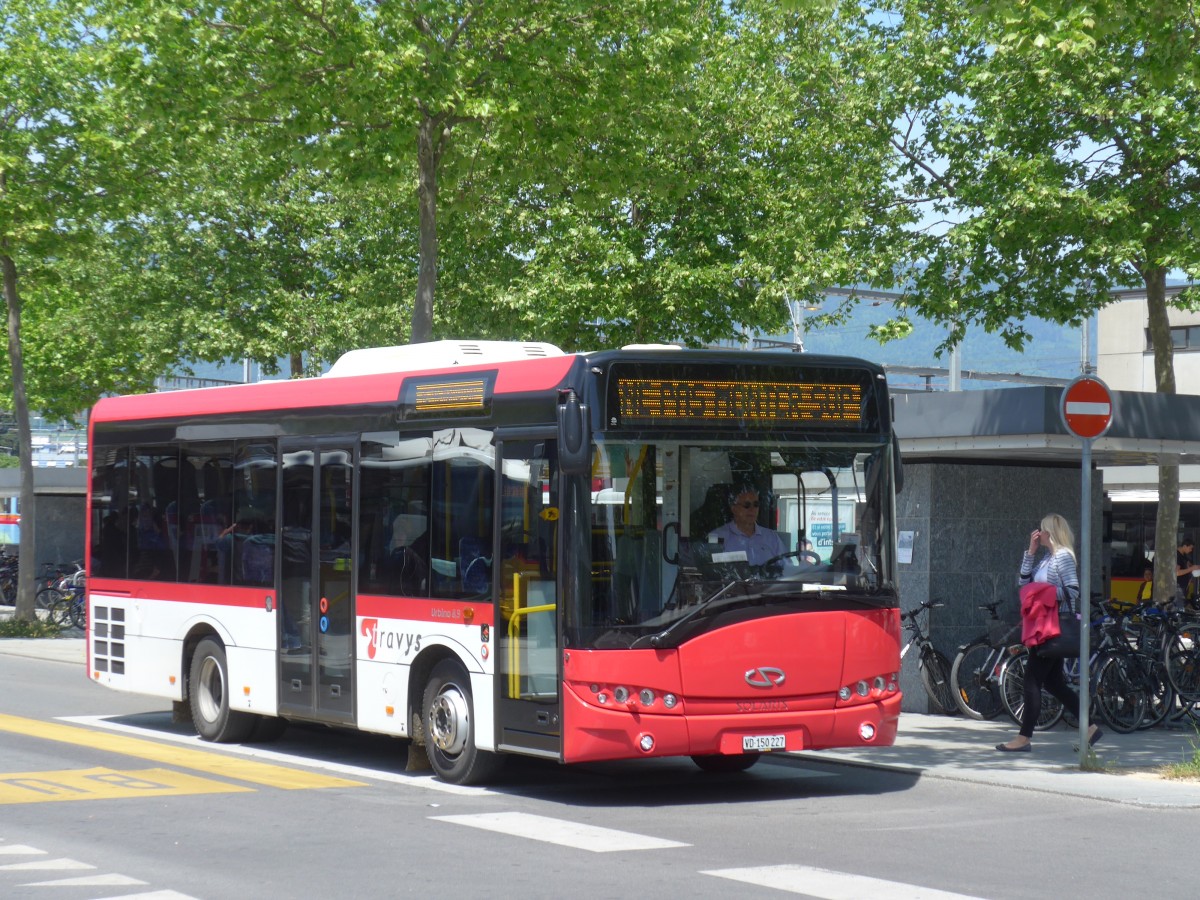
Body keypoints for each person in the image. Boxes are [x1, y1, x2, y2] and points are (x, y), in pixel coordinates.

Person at [996, 513, 1102, 753]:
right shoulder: (1046, 558)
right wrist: (1030, 553)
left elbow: (1073, 591)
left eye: (1041, 530)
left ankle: (1024, 738)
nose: (1038, 533)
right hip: (1042, 626)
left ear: (1050, 532)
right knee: (1054, 684)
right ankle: (1091, 728)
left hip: (1052, 627)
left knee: (1031, 681)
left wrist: (1042, 597)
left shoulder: (1062, 556)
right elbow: (1023, 584)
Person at [706, 484, 786, 566]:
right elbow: (711, 571)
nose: (752, 509)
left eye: (756, 505)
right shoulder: (717, 536)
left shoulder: (772, 538)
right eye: (746, 505)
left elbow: (786, 569)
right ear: (733, 508)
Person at [1175, 536, 1198, 604]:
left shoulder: (1183, 555)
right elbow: (1177, 572)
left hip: (1183, 586)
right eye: (1190, 548)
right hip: (1178, 587)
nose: (1191, 550)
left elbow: (1186, 565)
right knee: (1179, 606)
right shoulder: (1177, 556)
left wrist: (1192, 566)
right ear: (1184, 546)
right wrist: (1191, 568)